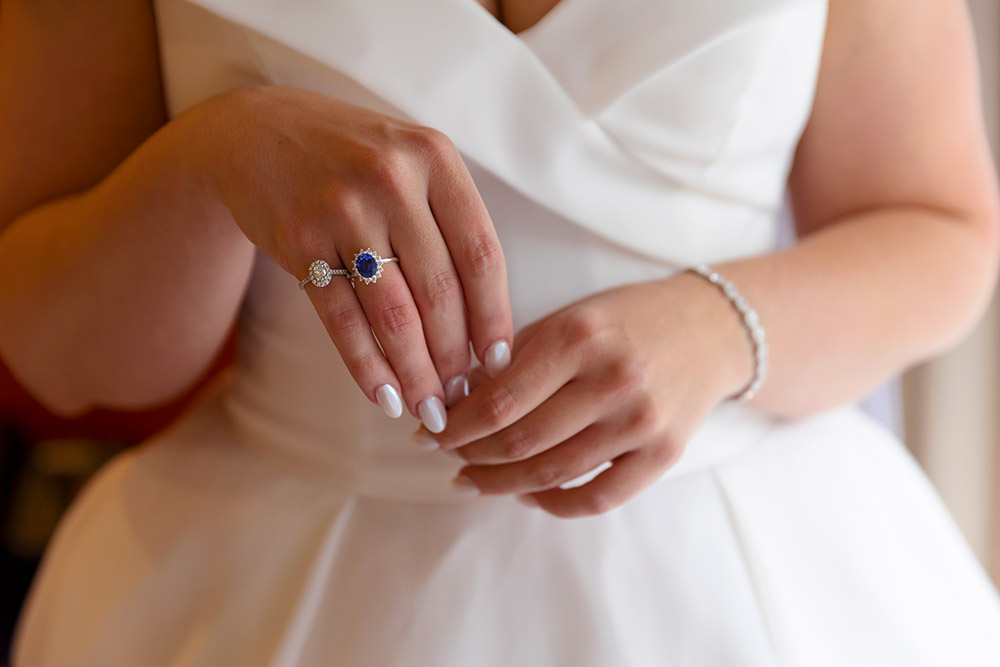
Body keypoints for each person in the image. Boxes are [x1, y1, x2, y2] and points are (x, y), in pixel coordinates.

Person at [3, 0, 1000, 664]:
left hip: (759, 583)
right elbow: (66, 355)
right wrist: (209, 162)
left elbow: (938, 228)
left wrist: (718, 328)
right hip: (265, 586)